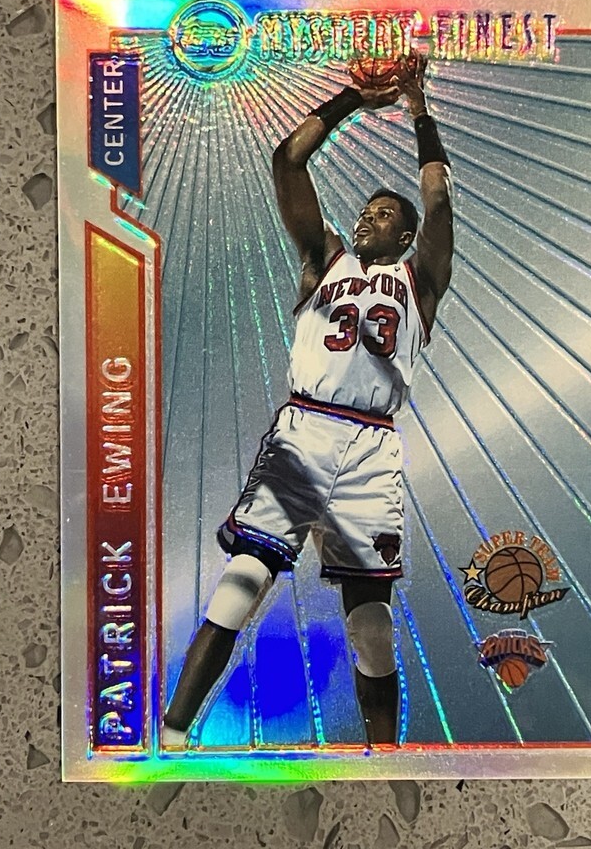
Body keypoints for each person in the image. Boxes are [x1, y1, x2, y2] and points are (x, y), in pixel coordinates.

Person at [163, 50, 453, 748]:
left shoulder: (420, 280)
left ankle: (383, 757)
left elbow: (439, 198)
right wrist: (353, 100)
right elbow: (288, 160)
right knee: (242, 580)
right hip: (307, 429)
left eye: (383, 214)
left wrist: (419, 111)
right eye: (365, 211)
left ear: (405, 236)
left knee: (372, 625)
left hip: (372, 446)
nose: (366, 218)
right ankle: (172, 733)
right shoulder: (326, 259)